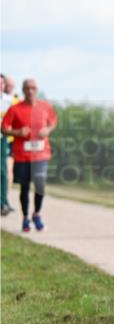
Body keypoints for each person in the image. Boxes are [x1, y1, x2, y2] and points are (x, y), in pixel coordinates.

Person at [1, 78, 58, 232]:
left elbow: (53, 122)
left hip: (41, 154)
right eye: (27, 88)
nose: (30, 91)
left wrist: (47, 130)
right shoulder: (15, 109)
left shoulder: (45, 107)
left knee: (40, 184)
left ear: (37, 89)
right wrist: (17, 132)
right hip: (22, 155)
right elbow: (4, 129)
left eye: (33, 88)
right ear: (23, 90)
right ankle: (25, 218)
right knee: (24, 187)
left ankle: (37, 214)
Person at [0, 74, 17, 216]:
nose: (1, 86)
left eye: (2, 84)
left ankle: (3, 202)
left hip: (4, 139)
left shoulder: (10, 101)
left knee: (4, 171)